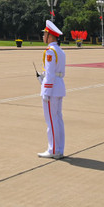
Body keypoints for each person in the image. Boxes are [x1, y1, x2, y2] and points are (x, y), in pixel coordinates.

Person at [37, 20, 66, 159]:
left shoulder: (50, 51)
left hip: (52, 89)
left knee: (51, 121)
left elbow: (50, 73)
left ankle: (53, 150)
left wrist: (46, 91)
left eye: (44, 34)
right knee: (58, 119)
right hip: (59, 86)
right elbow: (55, 72)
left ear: (50, 36)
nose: (43, 36)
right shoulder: (60, 51)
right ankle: (59, 148)